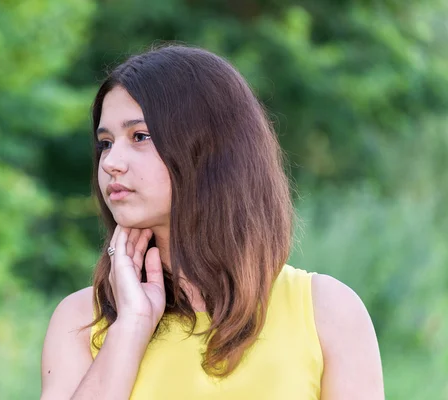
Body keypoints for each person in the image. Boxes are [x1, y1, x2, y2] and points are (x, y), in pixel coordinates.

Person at [40, 45, 384, 400]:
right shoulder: (81, 321)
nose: (111, 161)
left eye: (139, 137)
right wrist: (130, 328)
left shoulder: (326, 312)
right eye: (105, 143)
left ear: (211, 150)